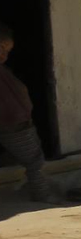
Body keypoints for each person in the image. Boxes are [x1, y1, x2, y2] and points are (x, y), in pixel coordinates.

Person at [0, 22, 53, 202]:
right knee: (35, 162)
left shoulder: (3, 71)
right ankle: (42, 196)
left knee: (27, 156)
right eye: (1, 49)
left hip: (17, 123)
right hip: (14, 124)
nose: (4, 55)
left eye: (7, 51)